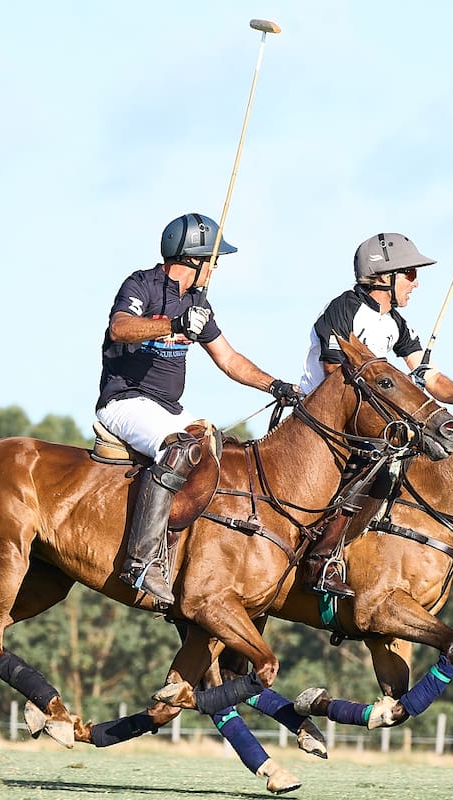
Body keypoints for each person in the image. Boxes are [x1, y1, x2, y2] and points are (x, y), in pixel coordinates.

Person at [97, 212, 300, 608]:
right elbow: (120, 328)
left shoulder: (197, 304)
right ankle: (141, 561)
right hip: (125, 401)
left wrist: (275, 386)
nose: (216, 267)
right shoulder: (143, 284)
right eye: (214, 260)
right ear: (192, 258)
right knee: (180, 450)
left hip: (168, 409)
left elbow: (228, 358)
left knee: (222, 455)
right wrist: (172, 322)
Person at [296, 232, 453, 597]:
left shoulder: (396, 323)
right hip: (322, 420)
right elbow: (337, 378)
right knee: (368, 470)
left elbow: (428, 375)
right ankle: (319, 561)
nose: (416, 282)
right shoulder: (344, 309)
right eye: (410, 273)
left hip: (369, 423)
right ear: (384, 276)